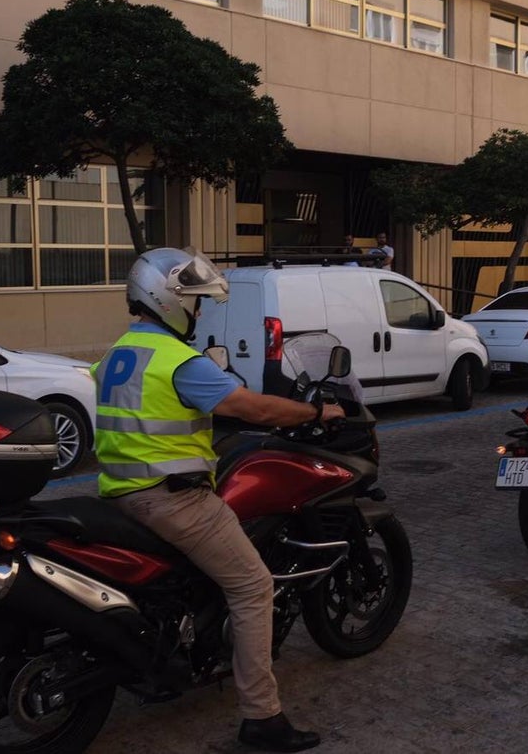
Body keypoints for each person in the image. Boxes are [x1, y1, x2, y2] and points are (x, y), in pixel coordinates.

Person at [93, 246, 344, 752]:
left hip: (121, 494)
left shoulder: (116, 354)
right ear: (169, 300)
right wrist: (313, 413)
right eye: (196, 302)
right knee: (253, 585)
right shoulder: (177, 360)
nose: (201, 312)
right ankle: (263, 719)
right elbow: (246, 405)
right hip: (173, 501)